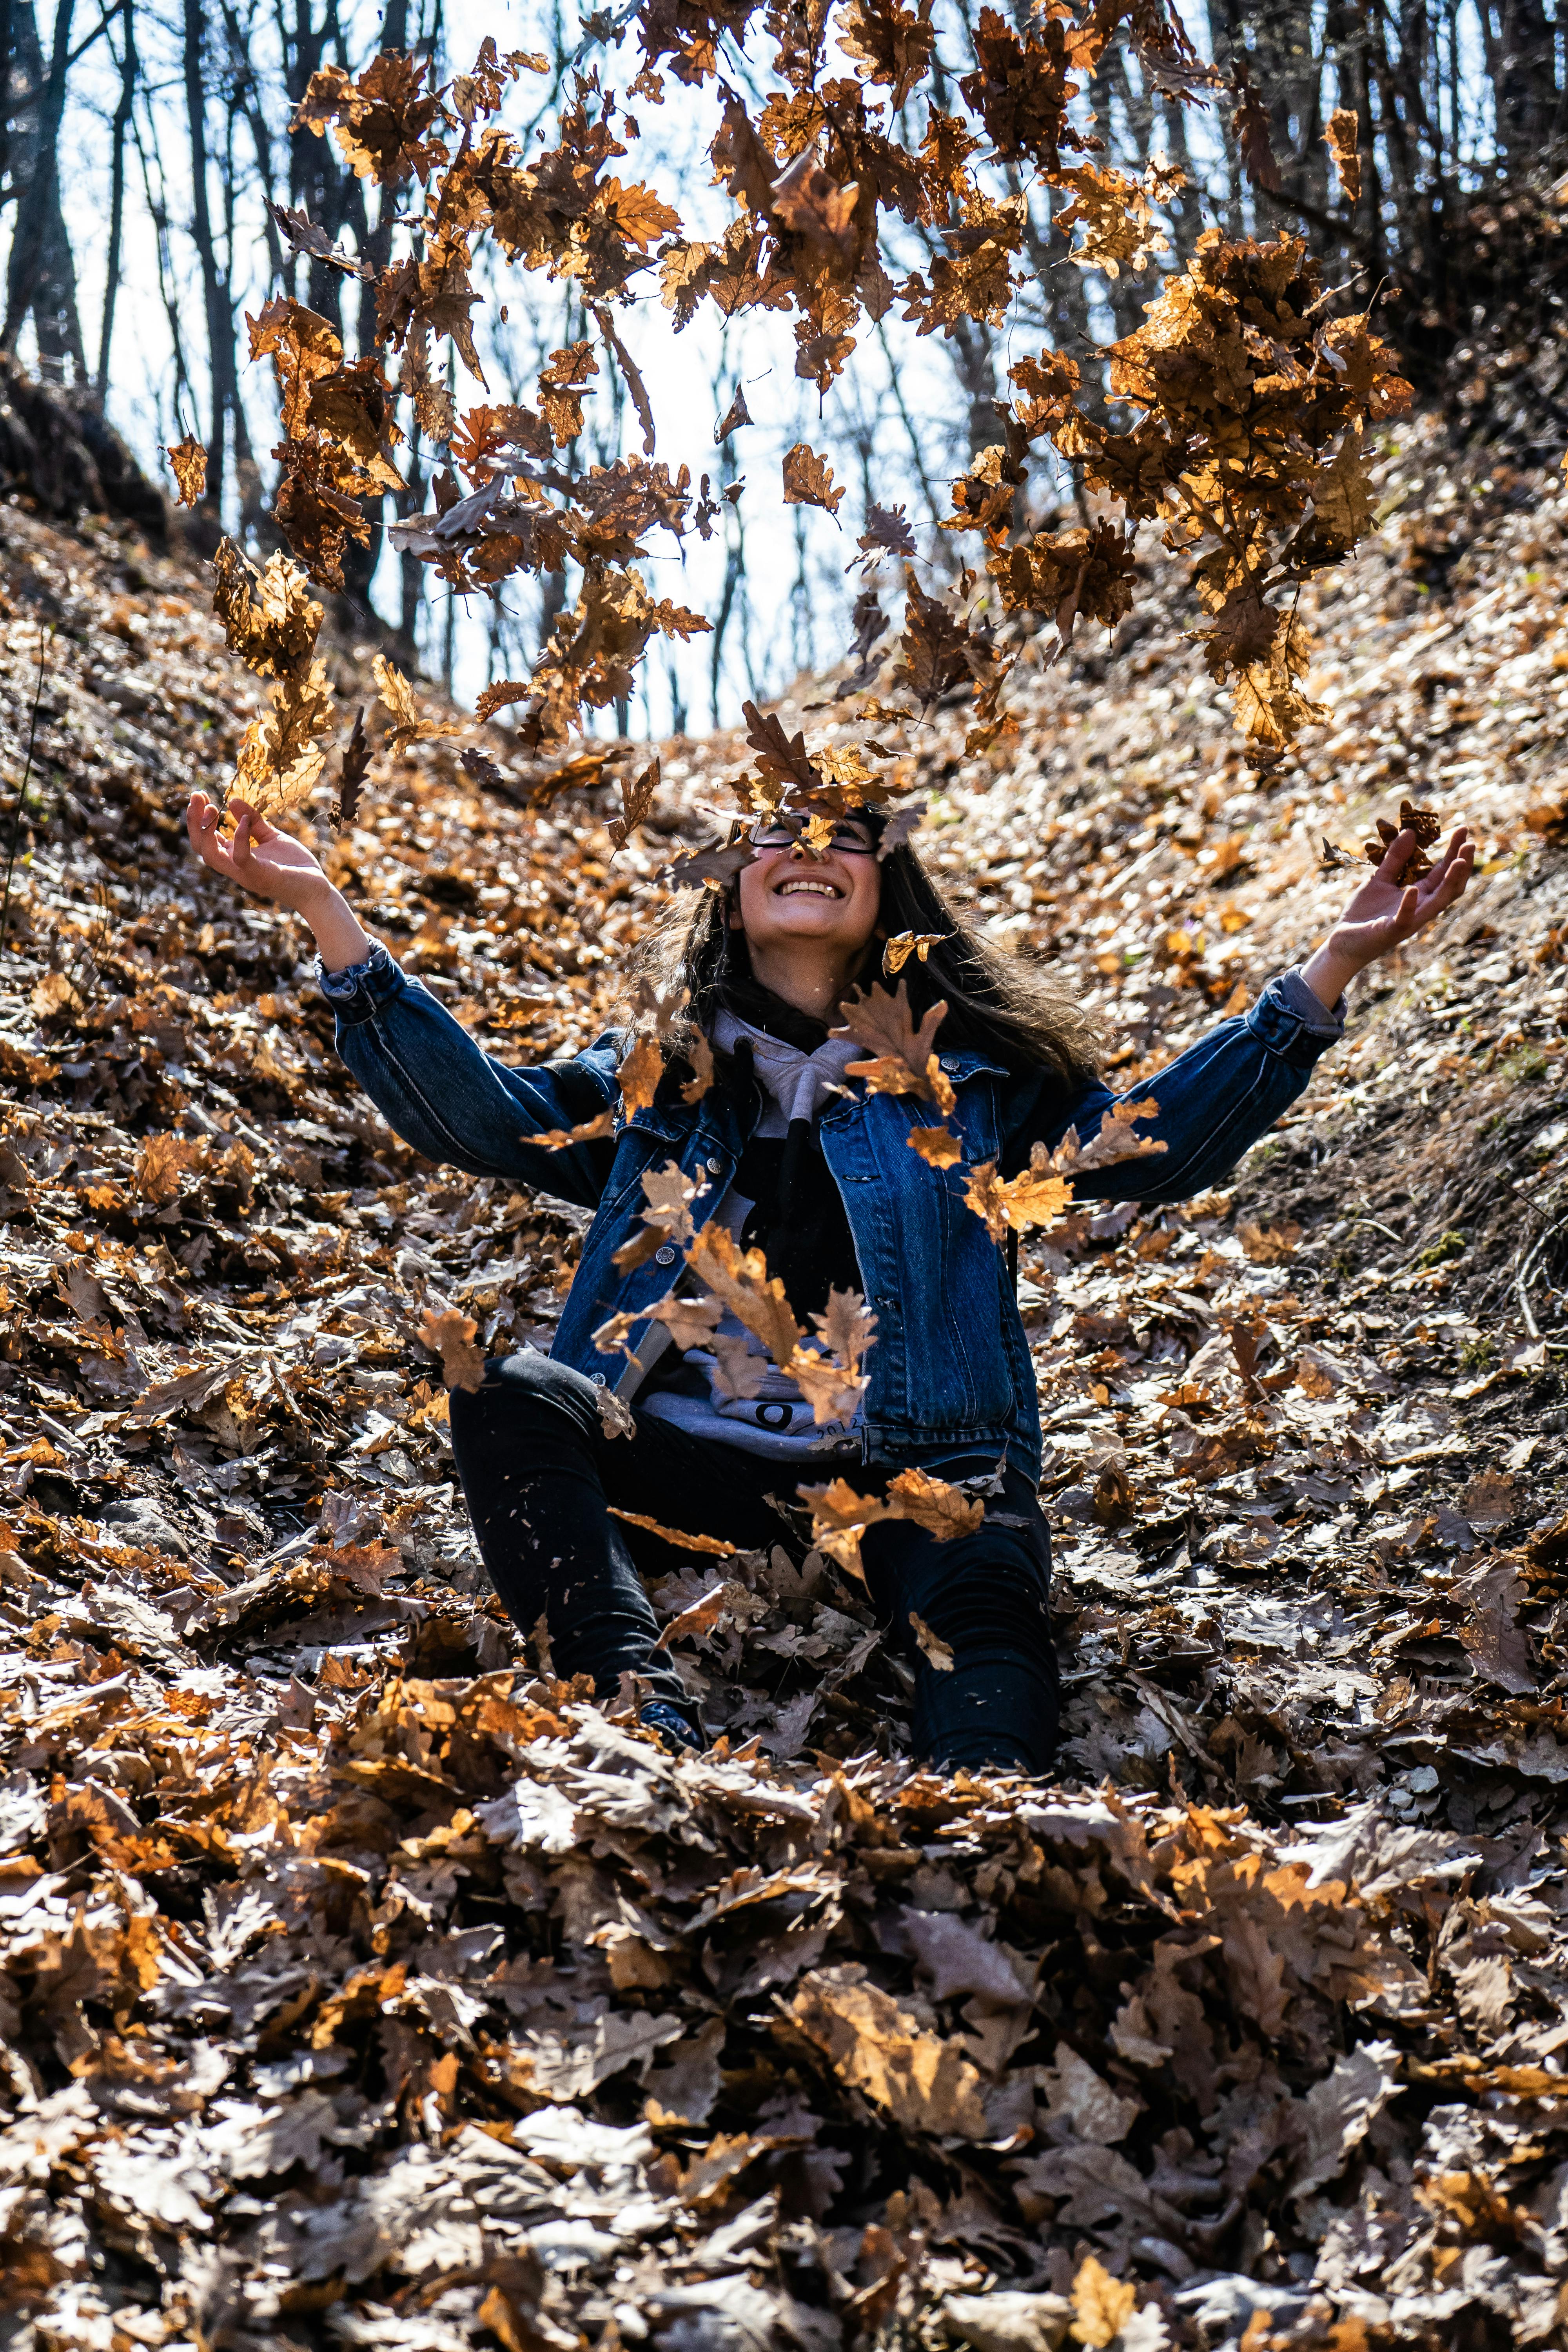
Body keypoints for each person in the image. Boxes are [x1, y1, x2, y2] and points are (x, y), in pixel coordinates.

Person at [185, 784, 1474, 1773]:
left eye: (848, 832)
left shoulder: (976, 1085)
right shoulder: (660, 1083)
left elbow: (1156, 1141)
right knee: (504, 1386)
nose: (809, 847)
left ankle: (988, 1823)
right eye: (772, 832)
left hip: (918, 1466)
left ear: (889, 885)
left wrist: (1332, 971)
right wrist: (328, 918)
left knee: (989, 1635)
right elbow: (483, 1119)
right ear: (731, 892)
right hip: (687, 1463)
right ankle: (639, 1713)